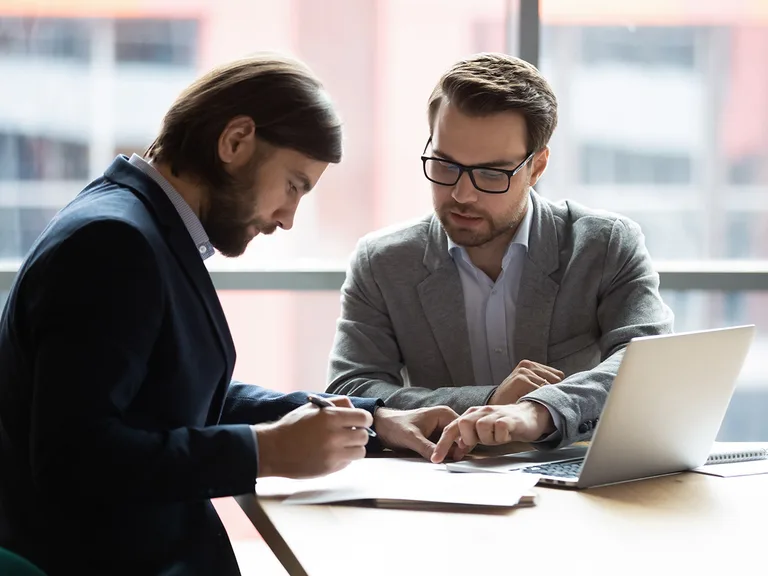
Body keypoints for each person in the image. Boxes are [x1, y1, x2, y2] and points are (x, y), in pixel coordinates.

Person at [0, 54, 458, 576]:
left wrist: (369, 419)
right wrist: (262, 452)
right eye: (294, 185)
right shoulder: (114, 242)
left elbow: (172, 394)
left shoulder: (135, 222)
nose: (288, 218)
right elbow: (75, 460)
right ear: (235, 141)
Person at [326, 52, 674, 461]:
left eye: (492, 173)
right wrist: (488, 399)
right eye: (445, 165)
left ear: (537, 167)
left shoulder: (603, 245)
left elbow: (648, 364)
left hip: (577, 482)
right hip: (441, 487)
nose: (461, 194)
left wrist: (537, 412)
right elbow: (352, 390)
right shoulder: (383, 262)